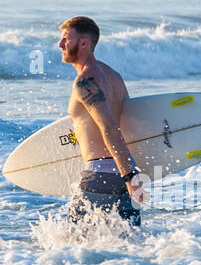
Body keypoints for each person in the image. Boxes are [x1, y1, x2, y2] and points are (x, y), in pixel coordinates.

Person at [58, 16, 145, 227]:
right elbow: (125, 122)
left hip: (100, 176)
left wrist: (130, 176)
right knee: (131, 244)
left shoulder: (85, 82)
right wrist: (131, 177)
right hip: (125, 171)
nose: (61, 45)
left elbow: (109, 127)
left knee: (72, 243)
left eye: (67, 39)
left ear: (84, 43)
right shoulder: (114, 76)